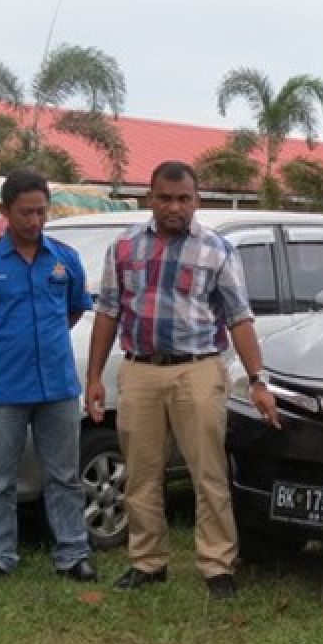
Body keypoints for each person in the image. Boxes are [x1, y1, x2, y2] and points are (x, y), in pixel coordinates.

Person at [85, 161, 279, 598]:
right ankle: (147, 562)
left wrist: (258, 380)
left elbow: (240, 318)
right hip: (140, 371)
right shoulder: (124, 248)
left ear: (196, 200)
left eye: (183, 199)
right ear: (149, 198)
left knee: (207, 472)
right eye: (165, 198)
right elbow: (108, 312)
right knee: (140, 473)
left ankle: (217, 565)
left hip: (198, 369)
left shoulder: (218, 249)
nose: (174, 207)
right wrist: (95, 376)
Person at [0, 170, 97, 583]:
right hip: (4, 388)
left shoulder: (65, 259)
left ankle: (72, 554)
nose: (34, 221)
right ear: (4, 211)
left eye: (41, 212)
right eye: (25, 212)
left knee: (65, 476)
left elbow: (73, 310)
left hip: (58, 387)